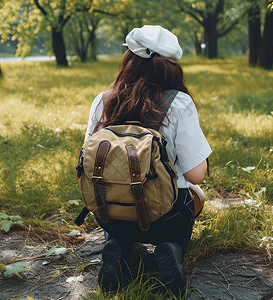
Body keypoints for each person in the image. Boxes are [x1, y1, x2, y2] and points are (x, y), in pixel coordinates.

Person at [83, 25, 212, 296]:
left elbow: (88, 156)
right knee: (196, 194)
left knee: (122, 208)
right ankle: (170, 248)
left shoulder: (103, 101)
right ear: (170, 67)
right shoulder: (178, 103)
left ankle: (118, 246)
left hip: (108, 212)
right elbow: (195, 175)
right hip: (165, 216)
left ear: (128, 59)